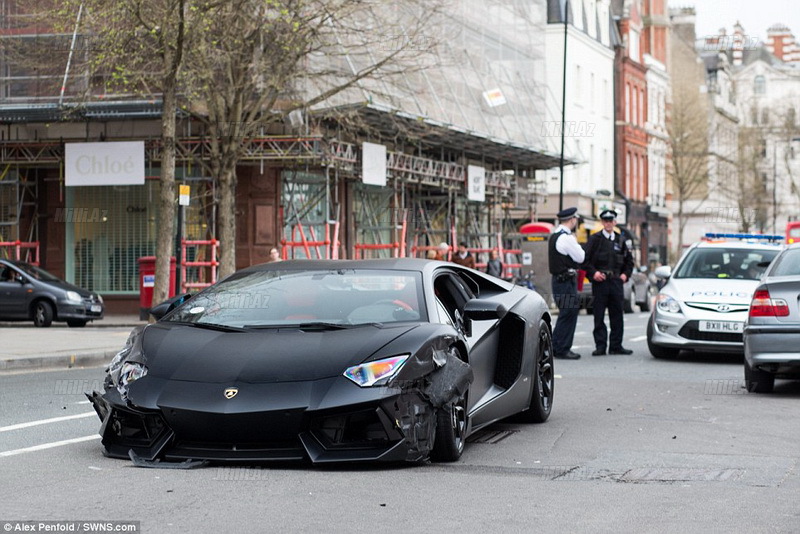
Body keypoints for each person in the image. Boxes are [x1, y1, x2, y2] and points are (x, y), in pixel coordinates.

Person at [582, 209, 635, 356]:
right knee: (598, 315)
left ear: (615, 222)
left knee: (617, 314)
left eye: (611, 221)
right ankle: (600, 346)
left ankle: (616, 346)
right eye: (605, 221)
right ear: (602, 222)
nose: (608, 224)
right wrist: (594, 273)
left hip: (616, 282)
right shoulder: (594, 239)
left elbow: (629, 262)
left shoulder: (621, 240)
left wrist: (625, 275)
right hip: (600, 283)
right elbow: (585, 261)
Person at [548, 207, 585, 360]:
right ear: (572, 220)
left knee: (566, 313)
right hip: (566, 282)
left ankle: (556, 346)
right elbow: (581, 257)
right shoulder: (567, 238)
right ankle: (561, 348)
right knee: (568, 313)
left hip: (558, 281)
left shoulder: (554, 236)